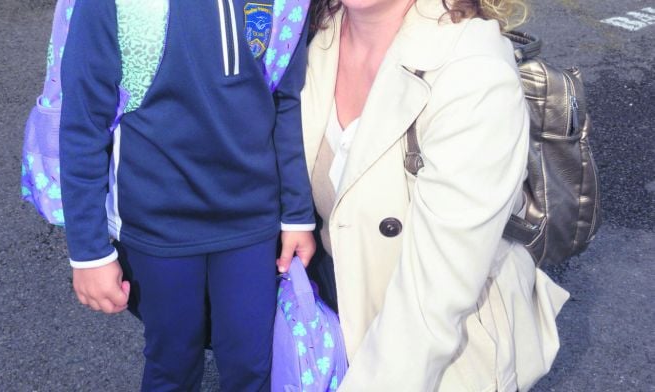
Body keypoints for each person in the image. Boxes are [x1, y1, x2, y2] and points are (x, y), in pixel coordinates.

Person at [302, 0, 570, 390]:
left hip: (441, 357)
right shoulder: (315, 34)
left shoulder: (475, 71)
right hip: (338, 321)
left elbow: (432, 301)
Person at [59, 1, 315, 391]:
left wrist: (296, 214)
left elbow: (285, 98)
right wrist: (89, 250)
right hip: (159, 223)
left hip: (252, 221)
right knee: (172, 363)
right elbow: (83, 119)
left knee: (251, 364)